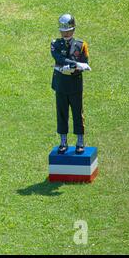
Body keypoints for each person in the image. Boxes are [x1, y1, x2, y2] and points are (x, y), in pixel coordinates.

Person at [50, 14, 91, 154]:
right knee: (62, 113)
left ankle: (80, 141)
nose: (65, 33)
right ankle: (63, 141)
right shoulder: (55, 44)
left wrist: (73, 69)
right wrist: (74, 64)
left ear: (73, 30)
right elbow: (59, 58)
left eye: (68, 30)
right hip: (61, 85)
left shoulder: (81, 45)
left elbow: (85, 64)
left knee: (77, 113)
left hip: (74, 85)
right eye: (63, 30)